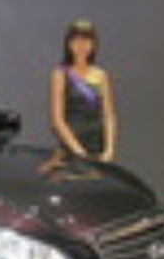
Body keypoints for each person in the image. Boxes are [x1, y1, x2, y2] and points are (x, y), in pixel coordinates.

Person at [50, 19, 117, 162]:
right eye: (76, 40)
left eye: (86, 40)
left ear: (93, 44)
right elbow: (57, 120)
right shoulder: (61, 74)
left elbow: (108, 115)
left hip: (98, 148)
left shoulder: (101, 75)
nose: (81, 46)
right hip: (71, 150)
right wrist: (78, 151)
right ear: (69, 44)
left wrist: (109, 149)